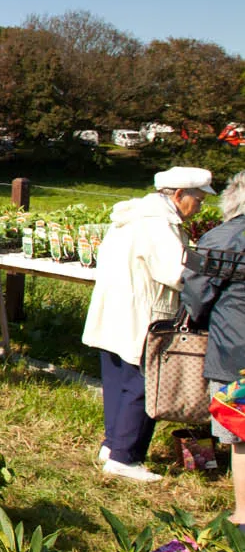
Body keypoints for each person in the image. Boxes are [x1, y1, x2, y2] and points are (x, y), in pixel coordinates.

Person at [82, 165, 214, 483]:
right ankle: (126, 458)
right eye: (198, 199)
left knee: (117, 379)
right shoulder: (158, 224)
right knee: (145, 384)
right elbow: (175, 271)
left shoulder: (135, 215)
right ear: (179, 195)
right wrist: (210, 279)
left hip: (115, 308)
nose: (200, 206)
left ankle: (113, 445)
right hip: (142, 313)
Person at [180, 169, 245, 525]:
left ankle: (243, 514)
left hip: (236, 352)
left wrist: (201, 318)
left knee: (241, 436)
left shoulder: (221, 237)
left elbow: (196, 293)